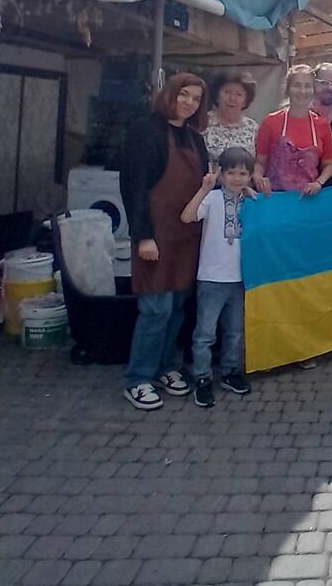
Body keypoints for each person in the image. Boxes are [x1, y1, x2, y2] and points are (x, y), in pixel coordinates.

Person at [120, 73, 210, 411]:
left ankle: (165, 367)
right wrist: (143, 236)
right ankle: (138, 378)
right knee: (155, 309)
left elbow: (203, 188)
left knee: (176, 307)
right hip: (155, 235)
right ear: (169, 94)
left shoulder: (195, 139)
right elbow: (134, 187)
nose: (188, 103)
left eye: (196, 98)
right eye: (183, 94)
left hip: (186, 238)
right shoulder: (145, 131)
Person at [180, 147, 254, 409]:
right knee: (205, 334)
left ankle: (230, 372)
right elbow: (187, 217)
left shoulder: (251, 202)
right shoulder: (211, 199)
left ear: (250, 176)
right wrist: (204, 189)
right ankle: (202, 378)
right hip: (211, 277)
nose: (237, 178)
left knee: (234, 332)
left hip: (239, 278)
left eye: (243, 174)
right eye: (231, 173)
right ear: (220, 174)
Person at [253, 65, 332, 197]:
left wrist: (319, 182)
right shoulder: (270, 122)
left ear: (313, 90)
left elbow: (329, 164)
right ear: (288, 89)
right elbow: (260, 162)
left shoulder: (322, 125)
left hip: (307, 199)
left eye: (307, 86)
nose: (302, 91)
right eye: (297, 85)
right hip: (274, 198)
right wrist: (258, 177)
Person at [203, 71, 259, 165]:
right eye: (227, 92)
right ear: (216, 96)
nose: (232, 98)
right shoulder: (203, 123)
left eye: (239, 94)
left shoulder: (252, 127)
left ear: (246, 100)